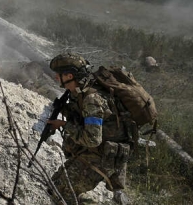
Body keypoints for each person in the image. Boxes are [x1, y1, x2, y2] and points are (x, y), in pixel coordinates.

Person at [46, 53, 133, 205]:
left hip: (102, 157)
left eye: (58, 75)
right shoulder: (78, 92)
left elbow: (93, 139)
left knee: (60, 193)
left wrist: (64, 125)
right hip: (94, 152)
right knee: (54, 186)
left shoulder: (91, 99)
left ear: (69, 76)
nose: (56, 78)